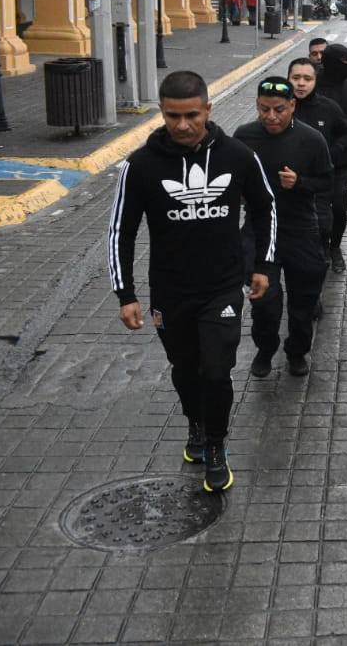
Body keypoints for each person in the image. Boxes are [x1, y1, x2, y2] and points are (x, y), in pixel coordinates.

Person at [108, 70, 276, 493]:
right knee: (185, 368)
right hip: (170, 291)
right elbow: (120, 232)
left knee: (217, 370)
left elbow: (265, 209)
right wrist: (125, 294)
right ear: (162, 114)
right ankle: (196, 425)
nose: (182, 125)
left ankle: (216, 445)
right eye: (171, 116)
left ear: (208, 109)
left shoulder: (237, 156)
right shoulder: (140, 166)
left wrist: (264, 266)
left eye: (191, 115)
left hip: (221, 287)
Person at [234, 78, 333, 377]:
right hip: (259, 231)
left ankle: (297, 351)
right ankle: (265, 349)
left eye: (279, 109)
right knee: (264, 302)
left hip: (300, 229)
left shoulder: (311, 139)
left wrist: (300, 183)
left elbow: (328, 182)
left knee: (303, 302)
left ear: (292, 106)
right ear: (257, 106)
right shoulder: (244, 136)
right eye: (264, 109)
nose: (271, 116)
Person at [286, 57, 347, 264]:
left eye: (307, 78)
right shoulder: (280, 108)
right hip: (289, 181)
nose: (301, 83)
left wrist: (331, 153)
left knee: (322, 224)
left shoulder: (329, 108)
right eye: (296, 78)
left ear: (315, 81)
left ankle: (327, 251)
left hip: (320, 182)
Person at [316, 43, 347, 273]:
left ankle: (334, 247)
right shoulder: (314, 85)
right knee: (318, 209)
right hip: (315, 161)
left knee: (340, 208)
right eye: (346, 61)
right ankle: (321, 246)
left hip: (343, 161)